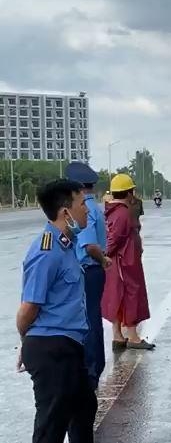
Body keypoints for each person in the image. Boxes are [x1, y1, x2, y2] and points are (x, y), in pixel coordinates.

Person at [16, 179, 97, 443]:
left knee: (84, 409)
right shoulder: (47, 250)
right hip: (52, 349)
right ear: (66, 212)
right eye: (81, 204)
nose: (87, 209)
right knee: (51, 427)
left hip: (69, 346)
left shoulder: (66, 245)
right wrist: (27, 343)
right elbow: (28, 308)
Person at [65, 162, 111, 392]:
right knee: (93, 317)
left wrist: (102, 260)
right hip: (94, 271)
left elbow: (90, 244)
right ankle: (93, 366)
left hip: (88, 270)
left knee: (88, 320)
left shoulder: (85, 210)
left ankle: (90, 370)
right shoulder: (96, 207)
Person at [102, 174, 155, 350]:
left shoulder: (112, 211)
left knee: (117, 296)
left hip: (119, 262)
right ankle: (132, 336)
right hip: (125, 262)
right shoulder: (123, 213)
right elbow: (114, 239)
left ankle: (118, 335)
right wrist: (105, 256)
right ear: (129, 193)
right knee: (131, 294)